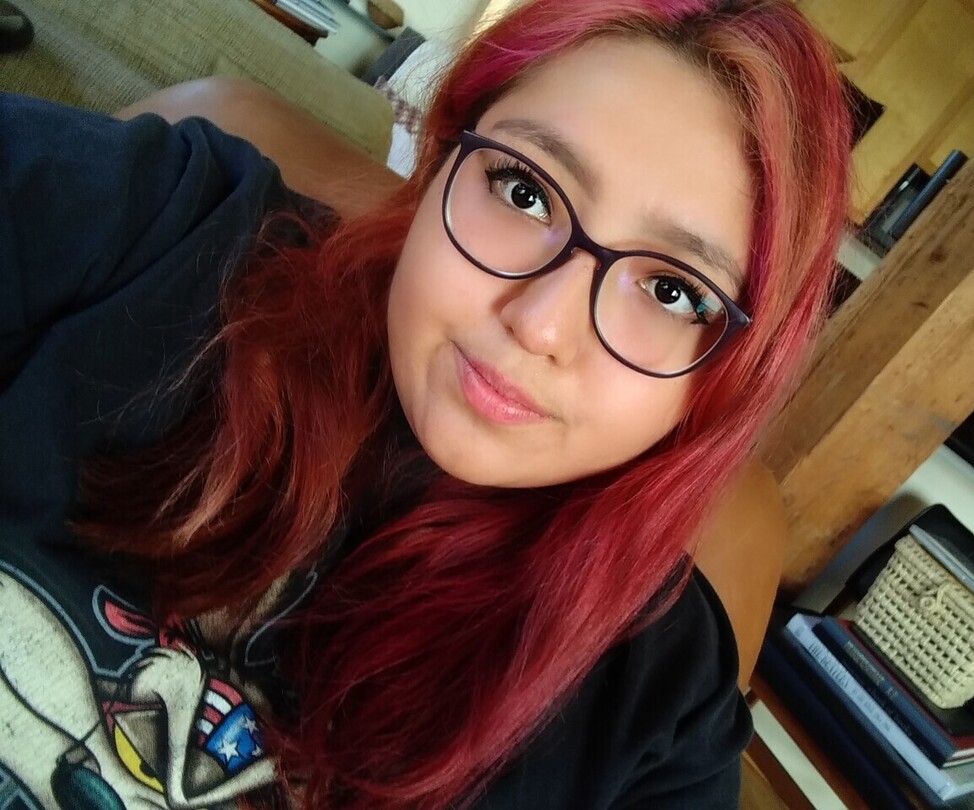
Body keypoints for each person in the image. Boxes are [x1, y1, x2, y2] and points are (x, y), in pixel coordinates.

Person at [0, 0, 851, 808]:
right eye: (524, 190)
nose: (540, 324)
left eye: (671, 290)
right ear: (443, 156)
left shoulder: (660, 706)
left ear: (734, 366)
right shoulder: (168, 228)